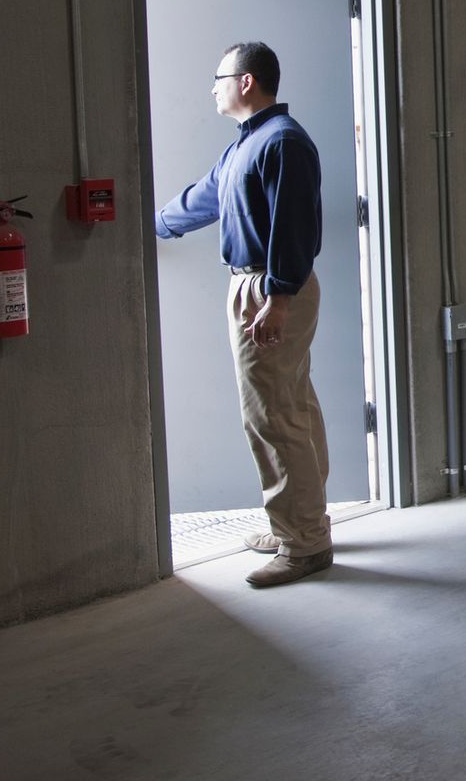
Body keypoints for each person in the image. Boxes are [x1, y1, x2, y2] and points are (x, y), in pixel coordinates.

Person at [155, 41, 333, 588]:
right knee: (290, 405)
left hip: (271, 290)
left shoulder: (284, 143)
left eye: (219, 77)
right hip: (260, 287)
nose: (213, 87)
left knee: (272, 416)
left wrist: (277, 301)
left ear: (246, 81)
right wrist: (155, 223)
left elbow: (295, 230)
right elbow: (205, 199)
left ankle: (303, 543)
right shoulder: (246, 147)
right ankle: (302, 524)